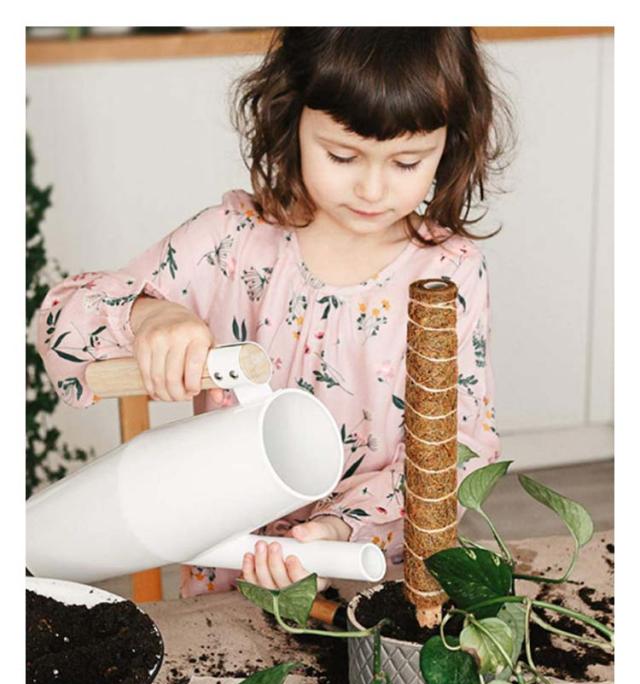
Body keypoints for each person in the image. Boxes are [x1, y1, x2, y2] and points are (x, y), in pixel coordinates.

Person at [36, 27, 513, 597]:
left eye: (407, 162)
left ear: (450, 143)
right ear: (291, 117)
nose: (372, 188)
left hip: (374, 583)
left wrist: (338, 529)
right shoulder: (234, 242)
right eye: (342, 155)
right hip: (227, 591)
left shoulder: (447, 273)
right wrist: (145, 317)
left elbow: (461, 449)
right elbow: (59, 324)